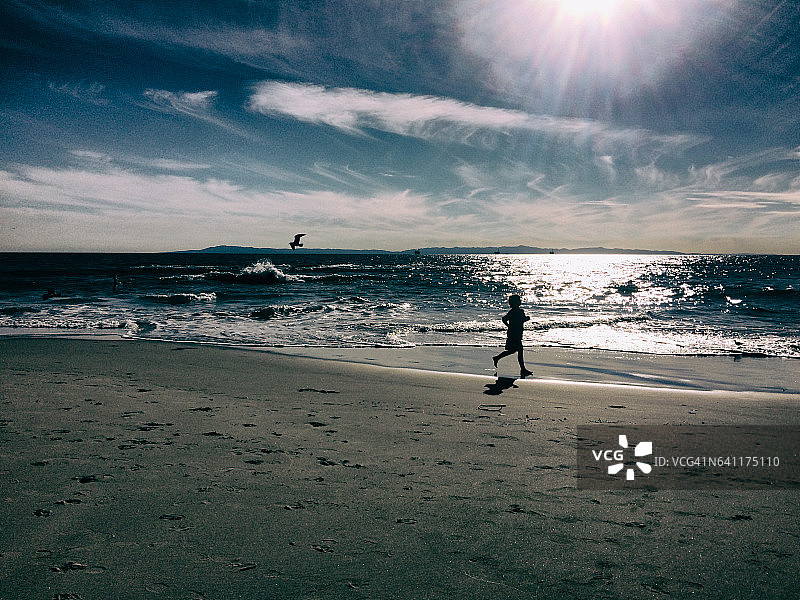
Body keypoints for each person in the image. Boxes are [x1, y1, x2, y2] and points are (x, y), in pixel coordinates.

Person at [493, 294, 533, 378]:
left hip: (513, 333)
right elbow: (521, 320)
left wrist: (509, 326)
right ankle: (523, 369)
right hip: (515, 334)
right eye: (518, 301)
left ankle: (497, 358)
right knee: (519, 350)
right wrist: (526, 319)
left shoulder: (512, 312)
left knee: (512, 350)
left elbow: (504, 319)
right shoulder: (519, 311)